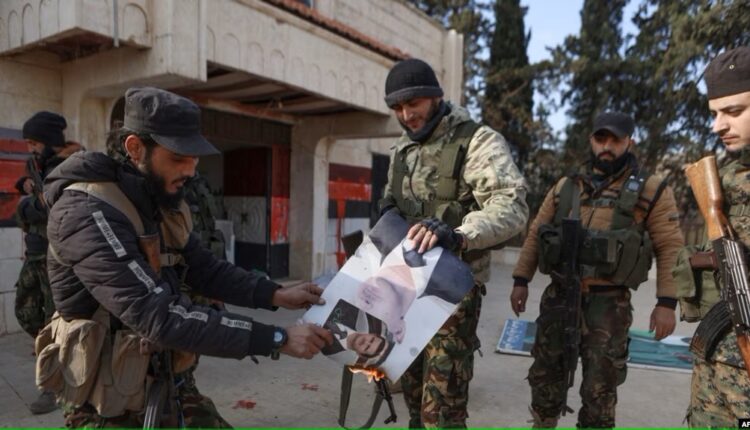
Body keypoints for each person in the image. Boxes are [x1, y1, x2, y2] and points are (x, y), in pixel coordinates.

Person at [39, 87, 333, 427]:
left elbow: (202, 267)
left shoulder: (155, 199)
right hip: (107, 402)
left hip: (166, 381)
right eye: (179, 157)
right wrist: (277, 338)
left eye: (194, 157)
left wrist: (275, 293)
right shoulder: (86, 211)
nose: (191, 170)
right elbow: (157, 315)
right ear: (135, 148)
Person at [378, 58, 528, 428]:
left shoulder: (476, 141)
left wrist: (459, 234)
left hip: (451, 292)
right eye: (397, 107)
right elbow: (391, 204)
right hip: (404, 289)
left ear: (435, 97)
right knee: (411, 393)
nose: (406, 114)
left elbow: (512, 205)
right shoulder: (402, 150)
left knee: (442, 408)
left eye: (413, 104)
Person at [510, 111, 684, 428]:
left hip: (609, 305)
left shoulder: (651, 188)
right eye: (600, 138)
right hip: (560, 296)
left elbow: (670, 246)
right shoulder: (567, 186)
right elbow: (537, 232)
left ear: (629, 141)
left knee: (599, 389)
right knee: (546, 376)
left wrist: (666, 303)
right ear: (592, 140)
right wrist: (521, 279)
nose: (607, 146)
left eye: (615, 139)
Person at [681, 46, 750, 427]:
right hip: (713, 369)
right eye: (715, 114)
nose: (717, 126)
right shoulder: (723, 177)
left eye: (734, 112)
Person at [14, 112, 82, 415]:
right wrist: (28, 192)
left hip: (58, 257)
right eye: (28, 142)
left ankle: (53, 388)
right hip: (35, 253)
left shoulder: (68, 166)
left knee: (57, 325)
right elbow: (32, 209)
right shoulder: (39, 166)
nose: (31, 148)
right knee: (26, 312)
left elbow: (51, 207)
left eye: (35, 142)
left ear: (51, 141)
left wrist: (28, 204)